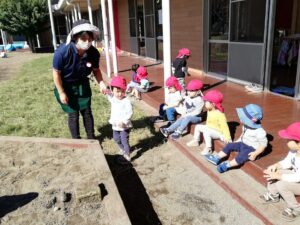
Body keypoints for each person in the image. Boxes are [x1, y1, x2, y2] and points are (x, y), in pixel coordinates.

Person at [52, 19, 106, 139]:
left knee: (87, 112)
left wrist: (101, 83)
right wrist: (61, 92)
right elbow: (56, 74)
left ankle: (91, 138)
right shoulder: (62, 52)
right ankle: (76, 140)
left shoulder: (93, 53)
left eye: (90, 39)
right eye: (84, 39)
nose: (87, 42)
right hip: (66, 85)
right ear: (75, 38)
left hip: (82, 83)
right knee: (73, 114)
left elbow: (96, 70)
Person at [204, 104, 268, 173]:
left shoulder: (260, 132)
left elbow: (263, 145)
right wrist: (237, 142)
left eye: (243, 118)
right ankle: (217, 157)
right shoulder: (246, 126)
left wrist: (255, 153)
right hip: (243, 143)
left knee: (241, 156)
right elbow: (243, 135)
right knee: (229, 145)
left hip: (252, 149)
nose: (241, 119)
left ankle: (228, 165)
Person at [259, 122, 300, 222]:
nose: (286, 141)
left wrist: (279, 176)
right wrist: (276, 166)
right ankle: (273, 195)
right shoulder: (294, 151)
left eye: (289, 140)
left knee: (282, 184)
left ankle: (296, 208)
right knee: (272, 171)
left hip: (298, 178)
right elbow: (287, 162)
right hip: (295, 175)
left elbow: (298, 177)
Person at [186, 90, 232, 155]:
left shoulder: (220, 114)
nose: (205, 103)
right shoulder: (209, 110)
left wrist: (227, 138)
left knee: (206, 132)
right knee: (198, 126)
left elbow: (224, 126)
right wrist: (206, 126)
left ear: (213, 104)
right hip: (210, 128)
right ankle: (196, 140)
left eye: (206, 102)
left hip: (218, 132)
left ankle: (208, 149)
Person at [104, 75, 133, 162]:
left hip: (124, 126)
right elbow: (109, 96)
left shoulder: (126, 101)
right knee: (116, 139)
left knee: (124, 141)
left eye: (122, 91)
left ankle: (127, 155)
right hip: (115, 124)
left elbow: (130, 112)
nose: (120, 94)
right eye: (117, 91)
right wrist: (107, 91)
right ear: (113, 91)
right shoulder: (114, 99)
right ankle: (123, 149)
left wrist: (124, 121)